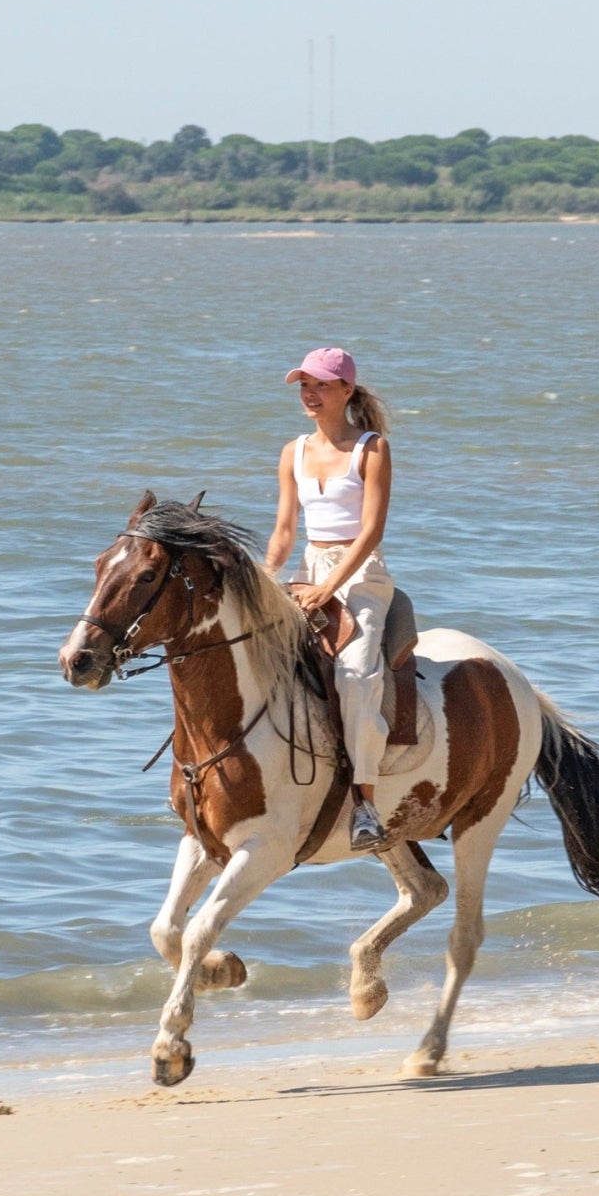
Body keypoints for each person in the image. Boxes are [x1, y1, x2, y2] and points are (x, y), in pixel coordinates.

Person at [266, 346, 397, 850]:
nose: (309, 394)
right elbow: (283, 531)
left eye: (320, 385)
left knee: (357, 677)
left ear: (346, 390)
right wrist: (264, 578)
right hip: (306, 567)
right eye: (304, 385)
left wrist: (332, 584)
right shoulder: (292, 451)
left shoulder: (372, 448)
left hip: (362, 574)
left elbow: (371, 530)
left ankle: (365, 804)